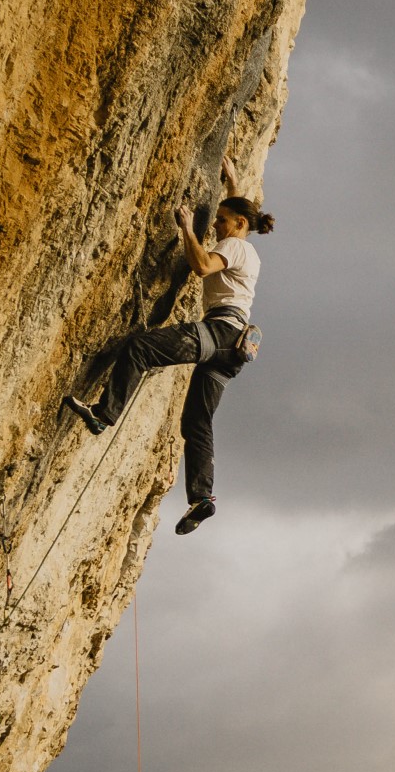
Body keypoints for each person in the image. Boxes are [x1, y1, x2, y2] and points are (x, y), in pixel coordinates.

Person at [65, 156, 273, 535]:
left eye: (222, 220)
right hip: (234, 350)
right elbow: (239, 216)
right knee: (197, 422)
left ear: (239, 225)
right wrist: (232, 183)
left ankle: (104, 414)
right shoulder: (245, 244)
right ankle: (202, 498)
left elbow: (202, 267)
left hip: (222, 333)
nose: (216, 224)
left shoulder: (236, 247)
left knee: (141, 348)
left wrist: (186, 229)